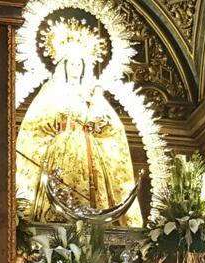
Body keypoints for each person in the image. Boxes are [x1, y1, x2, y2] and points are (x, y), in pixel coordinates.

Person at [15, 20, 140, 226]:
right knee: (58, 187)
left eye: (80, 64)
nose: (76, 68)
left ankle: (93, 222)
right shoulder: (53, 90)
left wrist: (97, 118)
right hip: (61, 148)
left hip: (90, 150)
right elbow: (37, 122)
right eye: (72, 63)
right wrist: (59, 119)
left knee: (92, 190)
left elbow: (110, 127)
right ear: (63, 65)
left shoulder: (93, 93)